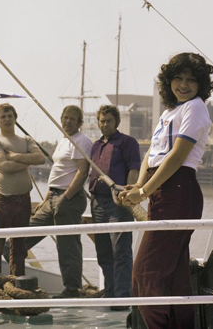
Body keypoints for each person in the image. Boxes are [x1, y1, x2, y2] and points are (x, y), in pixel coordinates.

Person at [119, 52, 213, 329]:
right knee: (173, 276)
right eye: (178, 78)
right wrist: (139, 185)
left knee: (145, 274)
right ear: (168, 81)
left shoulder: (195, 107)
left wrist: (143, 193)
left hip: (179, 191)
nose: (183, 85)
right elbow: (152, 154)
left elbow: (176, 157)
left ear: (201, 85)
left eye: (191, 80)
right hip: (165, 192)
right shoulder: (169, 111)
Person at [0, 105, 92, 297]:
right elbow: (5, 166)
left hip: (65, 197)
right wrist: (46, 195)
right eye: (65, 118)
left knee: (66, 245)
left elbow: (79, 171)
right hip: (44, 197)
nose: (68, 121)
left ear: (79, 122)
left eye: (72, 119)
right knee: (30, 230)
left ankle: (71, 289)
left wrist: (16, 157)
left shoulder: (80, 141)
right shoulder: (63, 141)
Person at [0, 103, 46, 278]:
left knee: (19, 247)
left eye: (10, 116)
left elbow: (41, 158)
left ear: (15, 118)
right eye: (3, 117)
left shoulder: (26, 140)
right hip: (4, 199)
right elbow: (5, 166)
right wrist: (28, 161)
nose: (7, 119)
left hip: (23, 200)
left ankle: (18, 282)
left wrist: (16, 156)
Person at [89, 104, 141, 310]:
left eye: (109, 120)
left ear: (117, 122)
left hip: (117, 203)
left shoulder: (127, 142)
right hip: (97, 203)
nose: (105, 124)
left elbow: (134, 169)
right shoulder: (95, 146)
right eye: (102, 121)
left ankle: (122, 297)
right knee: (103, 251)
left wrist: (128, 195)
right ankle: (110, 292)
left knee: (120, 251)